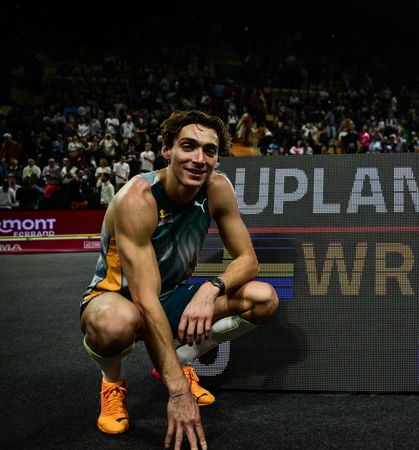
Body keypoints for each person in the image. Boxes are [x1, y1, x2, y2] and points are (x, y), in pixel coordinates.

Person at [80, 110, 279, 445]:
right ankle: (113, 382)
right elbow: (144, 300)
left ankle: (182, 360)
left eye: (209, 150)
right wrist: (178, 394)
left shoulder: (217, 189)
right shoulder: (137, 199)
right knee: (117, 323)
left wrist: (209, 289)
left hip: (171, 295)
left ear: (217, 159)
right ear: (166, 150)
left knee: (263, 299)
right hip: (116, 297)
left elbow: (248, 261)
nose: (199, 159)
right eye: (188, 146)